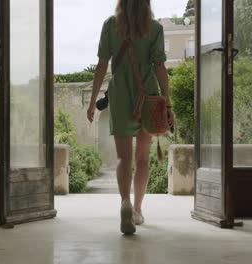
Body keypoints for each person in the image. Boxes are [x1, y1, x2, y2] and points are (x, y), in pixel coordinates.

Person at [86, 0, 174, 235]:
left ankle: (124, 201)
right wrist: (167, 103)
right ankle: (137, 209)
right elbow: (160, 68)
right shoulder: (154, 28)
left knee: (124, 158)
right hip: (147, 97)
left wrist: (93, 101)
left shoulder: (110, 25)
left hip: (121, 97)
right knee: (142, 158)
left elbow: (102, 65)